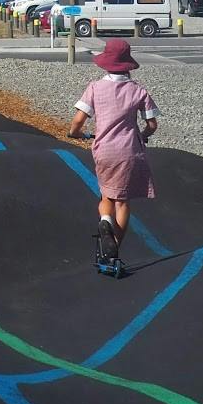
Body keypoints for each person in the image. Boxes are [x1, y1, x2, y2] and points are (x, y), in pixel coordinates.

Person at [66, 38, 158, 268]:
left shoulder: (95, 88)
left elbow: (78, 121)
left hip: (104, 149)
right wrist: (144, 134)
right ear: (127, 64)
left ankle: (105, 221)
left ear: (106, 63)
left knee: (106, 196)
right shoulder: (138, 91)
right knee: (123, 201)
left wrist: (76, 134)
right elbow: (152, 124)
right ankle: (114, 246)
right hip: (130, 151)